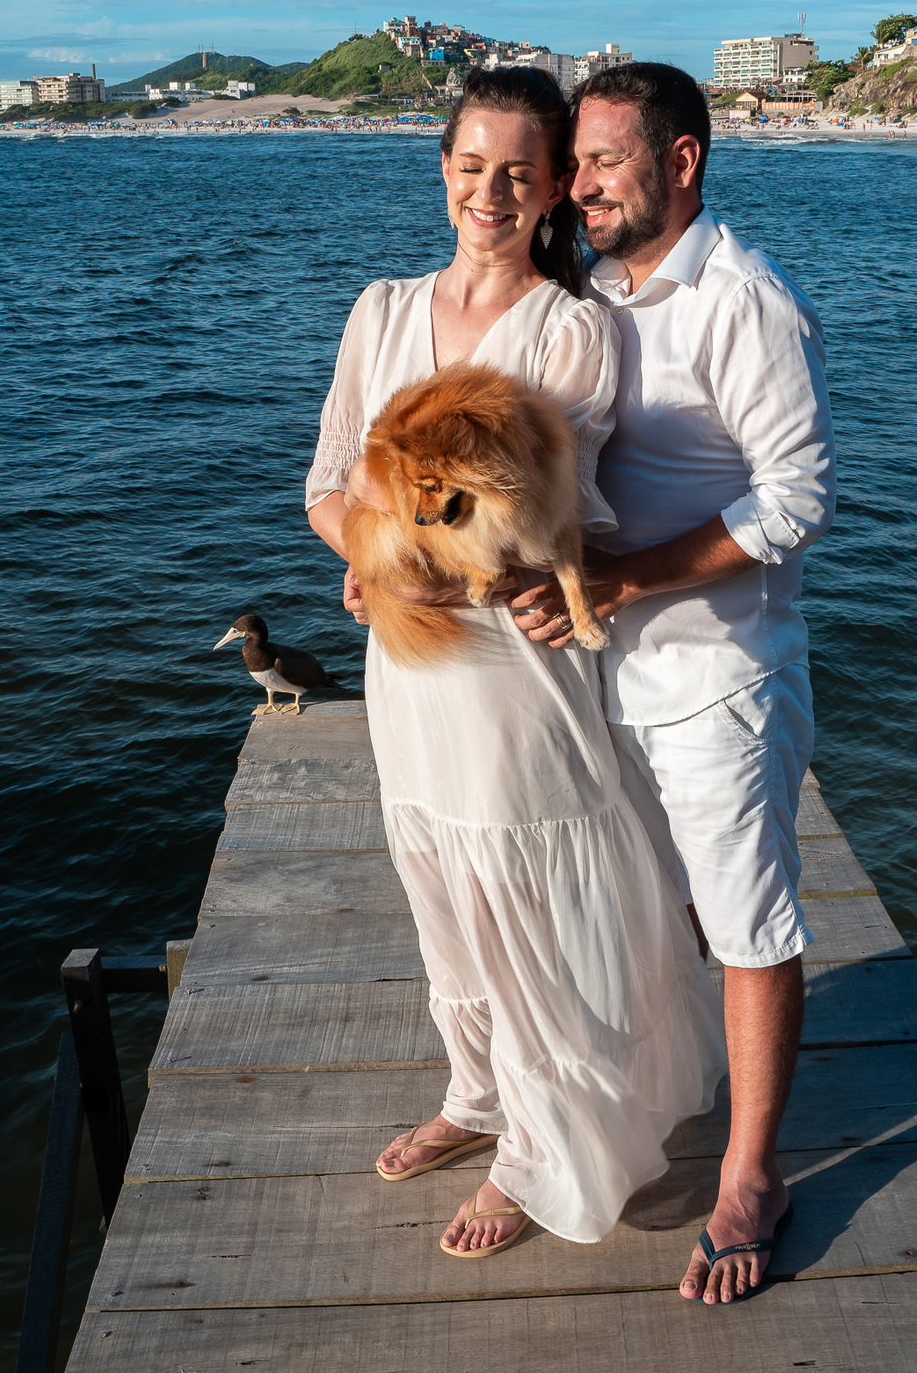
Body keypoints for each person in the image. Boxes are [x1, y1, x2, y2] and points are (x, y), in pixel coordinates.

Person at [307, 67, 726, 1259]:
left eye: (520, 174)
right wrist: (377, 554)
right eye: (472, 165)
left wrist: (411, 553)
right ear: (442, 169)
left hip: (513, 662)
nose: (491, 191)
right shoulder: (380, 308)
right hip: (411, 664)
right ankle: (478, 1094)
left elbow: (548, 520)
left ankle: (544, 1149)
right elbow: (329, 481)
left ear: (550, 193)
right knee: (441, 888)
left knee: (526, 899)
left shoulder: (570, 327)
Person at [512, 63, 835, 1305]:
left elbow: (797, 499)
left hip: (721, 675)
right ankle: (665, 1096)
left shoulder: (743, 300)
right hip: (606, 671)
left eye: (600, 161)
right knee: (662, 909)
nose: (576, 185)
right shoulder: (590, 287)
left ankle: (754, 1174)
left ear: (683, 161)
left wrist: (629, 578)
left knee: (747, 923)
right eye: (574, 164)